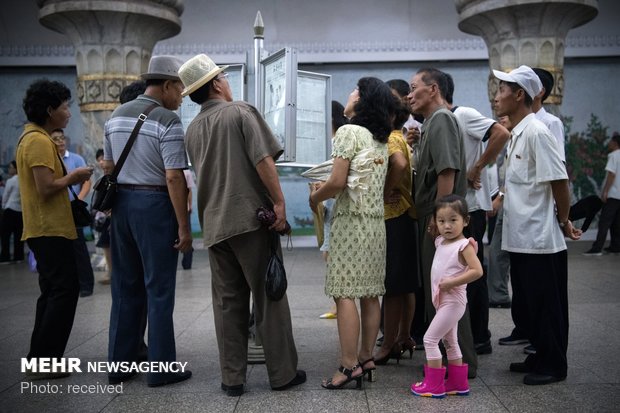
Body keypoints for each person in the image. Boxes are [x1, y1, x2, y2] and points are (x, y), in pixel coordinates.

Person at [179, 53, 304, 396]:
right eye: (224, 78)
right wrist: (279, 202)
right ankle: (282, 375)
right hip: (250, 220)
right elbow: (263, 159)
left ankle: (232, 379)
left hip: (214, 225)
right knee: (269, 298)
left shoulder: (192, 128)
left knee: (227, 303)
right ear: (217, 83)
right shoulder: (240, 111)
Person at [103, 55, 193, 387]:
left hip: (122, 205)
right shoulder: (168, 120)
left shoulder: (114, 115)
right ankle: (160, 370)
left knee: (125, 289)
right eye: (180, 89)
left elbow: (108, 167)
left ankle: (119, 366)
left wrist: (118, 208)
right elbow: (173, 177)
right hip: (154, 205)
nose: (181, 96)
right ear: (167, 85)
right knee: (159, 289)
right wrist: (183, 226)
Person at [493, 65, 581, 385]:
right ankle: (539, 356)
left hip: (540, 239)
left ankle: (553, 365)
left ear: (520, 95)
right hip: (522, 237)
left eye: (503, 89)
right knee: (531, 303)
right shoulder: (519, 132)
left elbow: (559, 181)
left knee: (547, 306)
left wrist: (563, 220)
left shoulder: (538, 132)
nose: (497, 95)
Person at [310, 77, 394, 389]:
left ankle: (347, 367)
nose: (350, 94)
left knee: (344, 293)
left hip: (350, 223)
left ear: (362, 100)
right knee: (371, 293)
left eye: (355, 90)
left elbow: (336, 182)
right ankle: (366, 358)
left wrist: (314, 198)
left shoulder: (348, 131)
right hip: (375, 225)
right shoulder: (380, 139)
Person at [17, 79, 94, 380]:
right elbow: (45, 188)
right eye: (65, 107)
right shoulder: (37, 141)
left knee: (52, 291)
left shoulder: (36, 137)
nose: (68, 113)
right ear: (50, 110)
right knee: (64, 290)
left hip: (46, 227)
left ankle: (40, 359)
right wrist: (74, 176)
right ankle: (44, 361)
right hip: (48, 228)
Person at [407, 67, 478, 378]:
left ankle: (460, 366)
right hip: (433, 216)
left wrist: (441, 222)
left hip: (439, 219)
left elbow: (446, 172)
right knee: (440, 292)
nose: (409, 95)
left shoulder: (442, 119)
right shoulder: (431, 123)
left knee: (449, 295)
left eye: (414, 87)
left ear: (432, 89)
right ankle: (450, 361)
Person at [442, 72, 511, 355]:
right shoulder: (440, 122)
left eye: (414, 88)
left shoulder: (464, 114)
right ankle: (465, 335)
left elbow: (501, 133)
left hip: (470, 209)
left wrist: (478, 166)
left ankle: (480, 337)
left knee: (473, 273)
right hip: (456, 209)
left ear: (436, 90)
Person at [411, 194, 483, 398]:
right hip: (443, 302)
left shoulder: (464, 246)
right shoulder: (441, 241)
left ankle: (433, 385)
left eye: (453, 220)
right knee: (450, 341)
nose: (447, 226)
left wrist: (452, 282)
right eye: (441, 221)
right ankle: (457, 383)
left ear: (466, 221)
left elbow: (477, 271)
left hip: (453, 302)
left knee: (430, 339)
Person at [373, 81, 419, 365]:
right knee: (406, 284)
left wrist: (385, 190)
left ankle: (388, 343)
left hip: (393, 216)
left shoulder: (390, 138)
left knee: (392, 286)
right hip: (405, 214)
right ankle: (404, 336)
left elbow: (400, 165)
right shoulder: (400, 135)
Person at [50, 128, 95, 297]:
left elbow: (86, 182)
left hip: (73, 208)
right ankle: (69, 284)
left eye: (62, 138)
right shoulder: (51, 161)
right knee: (61, 249)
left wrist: (79, 200)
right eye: (56, 139)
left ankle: (86, 284)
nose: (60, 141)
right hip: (56, 209)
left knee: (79, 248)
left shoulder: (75, 159)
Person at [317, 100, 349, 320]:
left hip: (335, 203)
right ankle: (337, 304)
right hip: (331, 203)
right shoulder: (334, 140)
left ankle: (340, 306)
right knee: (330, 253)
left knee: (333, 254)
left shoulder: (338, 140)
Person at [583, 133, 620, 255]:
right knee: (616, 221)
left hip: (613, 194)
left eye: (610, 141)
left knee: (604, 221)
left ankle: (597, 248)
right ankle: (616, 246)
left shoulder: (613, 155)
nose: (609, 143)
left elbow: (611, 174)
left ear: (615, 143)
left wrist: (605, 191)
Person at [532, 68, 565, 163]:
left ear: (540, 92)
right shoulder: (518, 123)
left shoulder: (551, 122)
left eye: (527, 85)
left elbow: (558, 162)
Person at [93, 149, 111, 284]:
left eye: (103, 158)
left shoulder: (113, 175)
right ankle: (111, 273)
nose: (101, 162)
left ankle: (112, 273)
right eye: (99, 159)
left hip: (112, 217)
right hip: (104, 219)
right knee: (106, 245)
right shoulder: (101, 176)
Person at [1, 160, 24, 264]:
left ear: (15, 169)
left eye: (11, 167)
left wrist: (3, 207)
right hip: (20, 211)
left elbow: (5, 196)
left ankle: (5, 257)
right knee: (19, 235)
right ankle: (18, 257)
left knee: (5, 235)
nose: (9, 169)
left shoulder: (11, 180)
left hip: (10, 210)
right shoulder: (25, 180)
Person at [181, 168, 195, 269]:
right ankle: (187, 263)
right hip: (184, 209)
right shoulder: (187, 172)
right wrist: (189, 206)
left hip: (169, 208)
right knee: (186, 233)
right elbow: (189, 191)